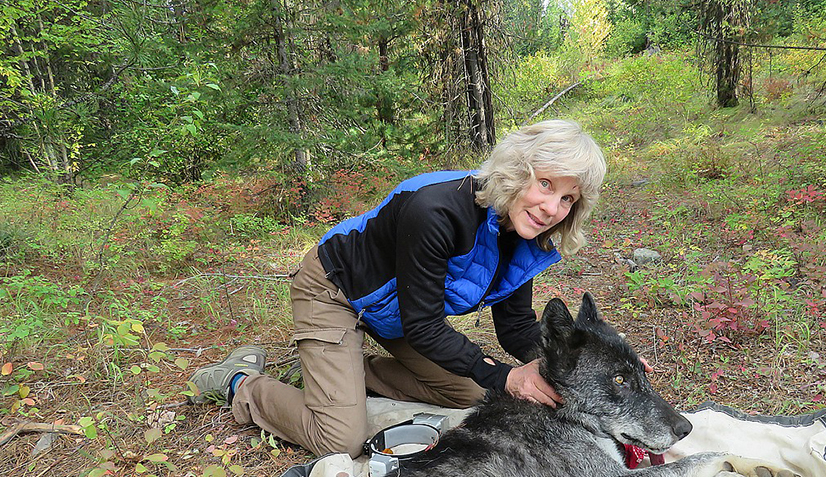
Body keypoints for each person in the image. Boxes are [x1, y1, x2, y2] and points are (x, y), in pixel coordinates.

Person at [187, 120, 607, 457]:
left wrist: (588, 365)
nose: (553, 208)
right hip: (336, 290)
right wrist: (507, 375)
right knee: (339, 441)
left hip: (397, 311)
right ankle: (239, 382)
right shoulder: (438, 209)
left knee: (477, 392)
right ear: (518, 173)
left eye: (569, 198)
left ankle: (342, 372)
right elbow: (424, 325)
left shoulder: (527, 233)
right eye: (546, 184)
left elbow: (515, 327)